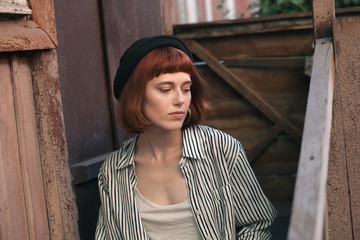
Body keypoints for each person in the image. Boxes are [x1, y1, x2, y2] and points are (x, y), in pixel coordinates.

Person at [95, 35, 277, 240]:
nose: (180, 100)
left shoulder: (221, 148)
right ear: (135, 96)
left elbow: (257, 226)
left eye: (186, 89)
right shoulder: (112, 171)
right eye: (166, 89)